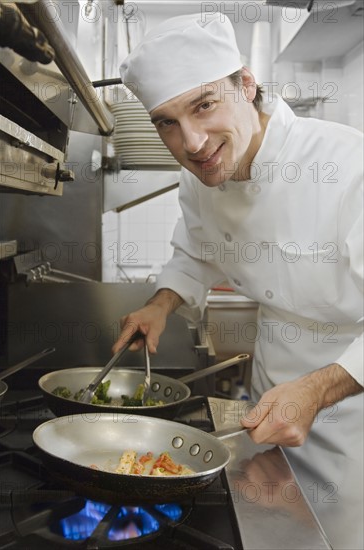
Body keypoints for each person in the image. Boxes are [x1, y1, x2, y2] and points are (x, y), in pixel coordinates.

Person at [115, 13, 363, 549]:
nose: (194, 142)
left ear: (246, 85)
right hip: (271, 402)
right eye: (167, 122)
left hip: (354, 421)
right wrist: (161, 303)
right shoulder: (201, 176)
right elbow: (197, 251)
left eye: (204, 105)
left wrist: (319, 389)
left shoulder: (348, 166)